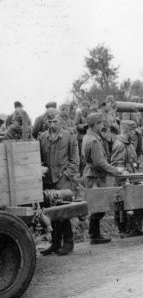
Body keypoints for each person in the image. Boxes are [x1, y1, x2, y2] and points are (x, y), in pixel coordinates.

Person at [38, 109, 79, 256]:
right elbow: (40, 159)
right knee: (50, 213)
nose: (52, 124)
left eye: (55, 121)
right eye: (49, 122)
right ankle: (55, 243)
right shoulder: (43, 137)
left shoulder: (69, 136)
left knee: (63, 212)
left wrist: (66, 176)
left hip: (62, 180)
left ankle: (68, 242)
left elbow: (75, 161)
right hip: (48, 181)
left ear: (60, 120)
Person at [82, 113, 125, 244]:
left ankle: (94, 234)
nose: (102, 125)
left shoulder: (88, 137)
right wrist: (116, 170)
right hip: (95, 176)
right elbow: (99, 163)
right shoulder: (94, 140)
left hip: (92, 174)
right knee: (99, 206)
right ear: (94, 125)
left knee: (97, 205)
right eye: (100, 123)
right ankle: (94, 235)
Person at [111, 120, 143, 237]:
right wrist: (126, 174)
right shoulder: (120, 144)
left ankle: (135, 229)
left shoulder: (128, 143)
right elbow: (117, 165)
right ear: (127, 131)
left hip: (132, 178)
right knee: (124, 205)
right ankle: (126, 230)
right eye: (133, 131)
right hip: (125, 180)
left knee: (136, 202)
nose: (135, 133)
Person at [121, 95, 143, 161]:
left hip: (139, 133)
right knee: (131, 149)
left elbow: (140, 122)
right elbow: (125, 123)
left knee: (139, 148)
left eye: (137, 101)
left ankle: (137, 162)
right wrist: (134, 129)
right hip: (131, 133)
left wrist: (141, 127)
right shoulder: (127, 111)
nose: (136, 103)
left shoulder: (138, 112)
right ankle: (131, 163)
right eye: (134, 101)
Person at [75, 101, 91, 175]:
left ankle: (88, 172)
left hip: (89, 137)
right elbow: (76, 125)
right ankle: (82, 172)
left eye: (86, 107)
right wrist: (84, 126)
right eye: (83, 107)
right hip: (81, 137)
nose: (85, 108)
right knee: (82, 155)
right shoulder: (79, 115)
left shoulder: (90, 115)